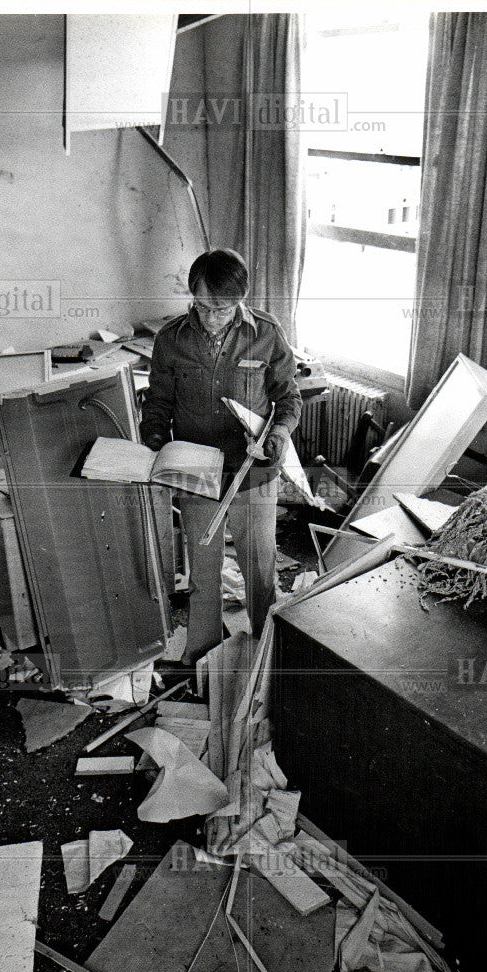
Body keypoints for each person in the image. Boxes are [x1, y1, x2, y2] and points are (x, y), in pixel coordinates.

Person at [140, 248, 302, 666]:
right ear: (192, 295)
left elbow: (288, 397)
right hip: (196, 471)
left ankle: (267, 652)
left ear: (241, 298)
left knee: (259, 569)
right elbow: (158, 401)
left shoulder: (267, 333)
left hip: (253, 470)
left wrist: (280, 431)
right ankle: (204, 656)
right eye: (203, 305)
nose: (211, 317)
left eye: (223, 308)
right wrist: (154, 439)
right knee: (203, 572)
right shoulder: (171, 339)